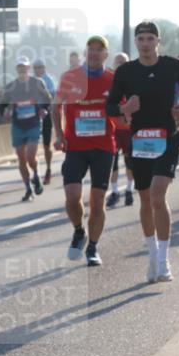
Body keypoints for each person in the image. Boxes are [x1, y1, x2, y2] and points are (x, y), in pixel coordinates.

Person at [108, 21, 179, 283]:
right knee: (146, 201)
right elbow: (110, 106)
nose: (145, 44)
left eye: (150, 39)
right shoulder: (125, 72)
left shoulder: (172, 66)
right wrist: (126, 109)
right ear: (136, 42)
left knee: (158, 196)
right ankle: (153, 254)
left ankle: (163, 260)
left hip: (167, 138)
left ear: (158, 41)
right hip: (140, 142)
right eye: (141, 39)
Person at [53, 36, 115, 266]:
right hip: (76, 147)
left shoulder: (113, 79)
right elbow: (56, 106)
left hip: (103, 147)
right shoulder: (70, 77)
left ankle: (93, 247)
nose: (94, 53)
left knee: (98, 202)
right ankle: (79, 230)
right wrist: (59, 135)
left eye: (99, 50)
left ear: (105, 55)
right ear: (85, 51)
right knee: (72, 197)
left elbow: (123, 109)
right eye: (91, 49)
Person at [0, 56, 51, 201]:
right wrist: (5, 113)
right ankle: (28, 188)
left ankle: (36, 174)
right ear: (17, 69)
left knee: (30, 155)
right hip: (18, 126)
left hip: (33, 123)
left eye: (25, 67)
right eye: (19, 67)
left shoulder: (37, 83)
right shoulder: (11, 87)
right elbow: (1, 104)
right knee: (21, 159)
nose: (22, 69)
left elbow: (47, 99)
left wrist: (43, 109)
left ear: (28, 68)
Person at [107, 52, 135, 207]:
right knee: (113, 162)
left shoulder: (134, 82)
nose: (121, 64)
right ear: (113, 65)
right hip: (113, 130)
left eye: (124, 62)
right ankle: (115, 191)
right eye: (118, 62)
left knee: (129, 162)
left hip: (129, 129)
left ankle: (129, 190)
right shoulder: (109, 82)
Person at [33, 58, 57, 185]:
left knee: (47, 145)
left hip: (46, 114)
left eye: (40, 67)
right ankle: (36, 172)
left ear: (44, 68)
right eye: (35, 68)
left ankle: (48, 169)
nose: (38, 70)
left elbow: (53, 96)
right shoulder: (31, 80)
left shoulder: (48, 80)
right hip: (33, 115)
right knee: (32, 145)